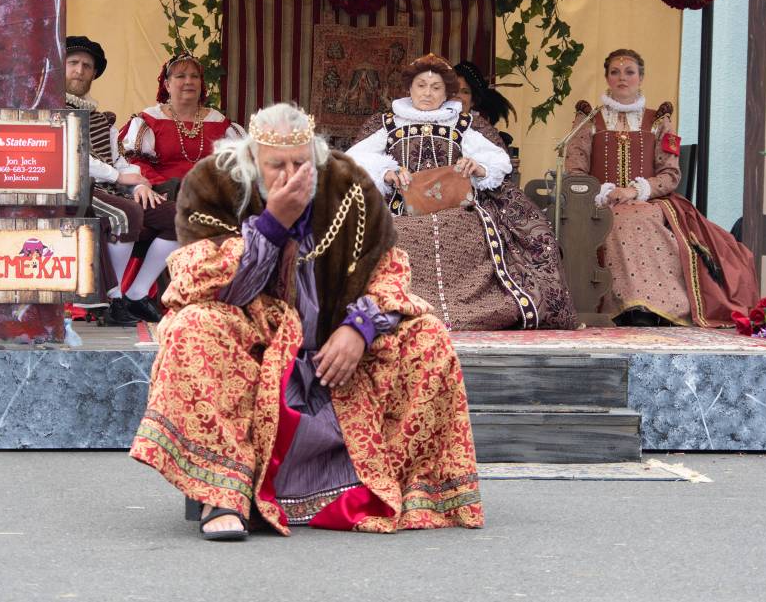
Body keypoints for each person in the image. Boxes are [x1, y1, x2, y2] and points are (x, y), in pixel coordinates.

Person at [130, 103, 483, 540]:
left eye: (300, 164)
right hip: (256, 343)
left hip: (336, 351)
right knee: (191, 327)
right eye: (276, 165)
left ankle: (410, 488)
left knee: (427, 336)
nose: (291, 175)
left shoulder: (348, 188)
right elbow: (200, 284)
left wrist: (360, 327)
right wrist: (273, 224)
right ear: (252, 160)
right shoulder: (213, 187)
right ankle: (221, 492)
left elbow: (390, 271)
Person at [347, 54, 576, 331]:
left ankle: (468, 310)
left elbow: (498, 161)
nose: (427, 93)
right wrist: (386, 172)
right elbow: (355, 161)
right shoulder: (387, 123)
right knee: (397, 233)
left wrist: (477, 166)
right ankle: (401, 305)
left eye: (436, 87)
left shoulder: (463, 124)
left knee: (470, 230)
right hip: (401, 208)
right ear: (409, 88)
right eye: (421, 86)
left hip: (457, 207)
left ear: (446, 92)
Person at [565, 48, 758, 326]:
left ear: (641, 78)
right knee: (618, 218)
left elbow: (670, 174)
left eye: (629, 72)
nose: (622, 78)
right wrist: (602, 193)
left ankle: (656, 305)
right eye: (615, 72)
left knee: (640, 216)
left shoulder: (659, 121)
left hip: (651, 201)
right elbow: (575, 170)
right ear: (607, 78)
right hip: (600, 203)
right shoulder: (587, 120)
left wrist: (635, 191)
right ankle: (627, 305)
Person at [64, 36, 177, 325]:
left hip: (111, 189)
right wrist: (117, 177)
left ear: (94, 74)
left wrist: (137, 182)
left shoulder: (101, 119)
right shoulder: (53, 111)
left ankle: (136, 294)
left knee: (179, 217)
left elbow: (119, 160)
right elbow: (72, 158)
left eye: (87, 66)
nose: (79, 70)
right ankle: (112, 301)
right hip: (76, 191)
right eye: (73, 63)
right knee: (127, 213)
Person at [119, 52, 245, 190]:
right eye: (180, 76)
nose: (189, 81)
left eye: (194, 76)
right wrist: (165, 188)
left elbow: (238, 166)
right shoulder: (151, 119)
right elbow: (136, 162)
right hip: (164, 194)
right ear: (167, 85)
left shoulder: (219, 122)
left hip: (211, 194)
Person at [453, 60, 517, 150]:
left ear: (473, 101)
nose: (458, 96)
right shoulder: (433, 124)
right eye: (453, 90)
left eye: (465, 92)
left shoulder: (484, 132)